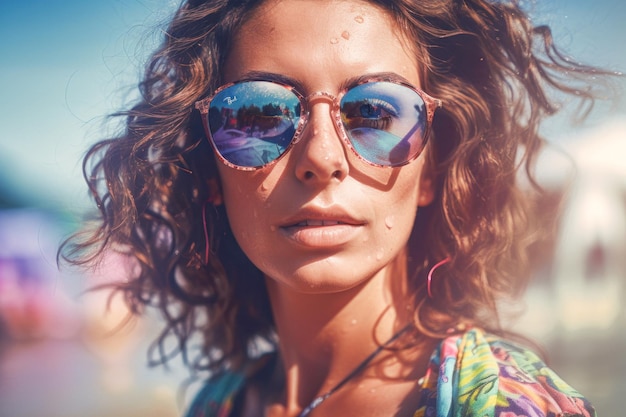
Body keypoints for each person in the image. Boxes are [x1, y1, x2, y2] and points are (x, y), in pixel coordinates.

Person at [61, 0, 612, 416]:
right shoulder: (218, 403)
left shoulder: (503, 404)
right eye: (258, 115)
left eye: (375, 113)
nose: (322, 158)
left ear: (432, 169)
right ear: (208, 171)